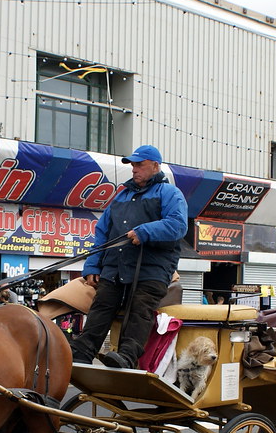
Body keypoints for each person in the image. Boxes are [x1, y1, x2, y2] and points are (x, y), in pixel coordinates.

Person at [70, 145, 188, 369]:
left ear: (155, 166)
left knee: (140, 308)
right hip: (115, 267)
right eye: (133, 165)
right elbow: (102, 233)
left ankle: (127, 355)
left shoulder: (170, 193)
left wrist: (145, 232)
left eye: (139, 164)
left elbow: (178, 225)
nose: (134, 169)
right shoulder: (121, 196)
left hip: (151, 270)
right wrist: (93, 266)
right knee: (102, 305)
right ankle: (81, 352)